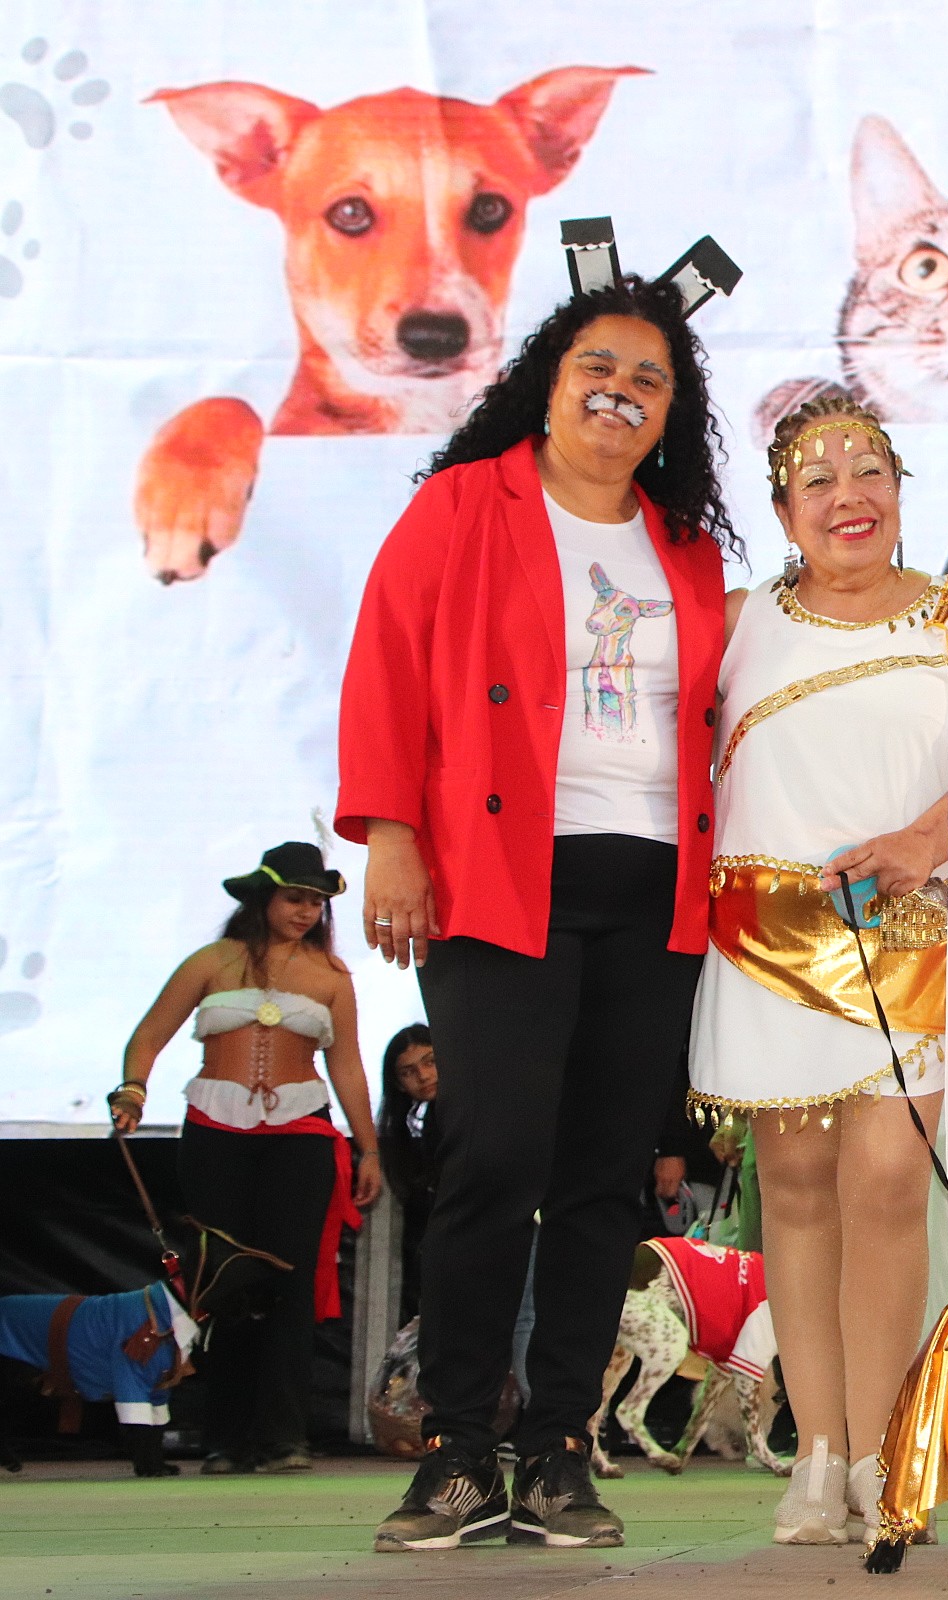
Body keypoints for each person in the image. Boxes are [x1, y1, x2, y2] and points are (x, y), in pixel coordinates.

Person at [338, 275, 737, 1552]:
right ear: (550, 383)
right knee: (494, 1158)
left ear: (674, 411)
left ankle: (559, 1443)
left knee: (604, 1180)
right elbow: (387, 665)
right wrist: (391, 834)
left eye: (651, 376)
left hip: (652, 885)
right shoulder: (464, 504)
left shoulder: (687, 547)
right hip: (498, 876)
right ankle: (458, 1447)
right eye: (596, 366)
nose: (620, 388)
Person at [685, 395, 948, 1543]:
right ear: (786, 510)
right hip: (765, 938)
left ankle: (885, 1450)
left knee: (890, 1185)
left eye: (868, 471)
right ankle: (819, 1454)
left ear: (898, 489)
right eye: (817, 478)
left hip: (910, 935)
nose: (847, 494)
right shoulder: (741, 623)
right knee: (792, 1194)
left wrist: (923, 841)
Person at [111, 842, 381, 1474]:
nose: (307, 911)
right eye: (295, 898)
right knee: (223, 1281)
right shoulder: (210, 961)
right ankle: (225, 1436)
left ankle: (284, 1435)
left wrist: (369, 1148)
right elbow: (149, 1035)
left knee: (291, 1283)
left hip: (302, 1133)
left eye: (317, 901)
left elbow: (347, 1066)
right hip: (216, 1129)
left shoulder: (332, 977)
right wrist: (132, 1089)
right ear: (264, 897)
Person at [375, 1025, 439, 1321]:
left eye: (431, 1062)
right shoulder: (404, 1139)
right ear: (398, 1083)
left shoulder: (462, 1119)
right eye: (408, 1071)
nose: (424, 1076)